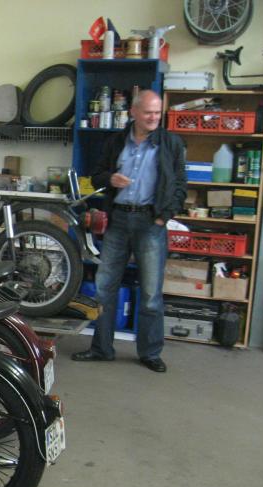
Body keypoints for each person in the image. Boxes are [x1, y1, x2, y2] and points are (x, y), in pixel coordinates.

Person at [71, 89, 186, 373]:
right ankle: (101, 348)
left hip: (151, 222)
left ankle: (150, 353)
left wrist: (163, 218)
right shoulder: (116, 141)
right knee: (104, 288)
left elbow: (180, 186)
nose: (154, 117)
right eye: (148, 112)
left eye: (157, 112)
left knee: (150, 294)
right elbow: (96, 176)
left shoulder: (170, 143)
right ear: (133, 112)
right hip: (119, 221)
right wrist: (109, 178)